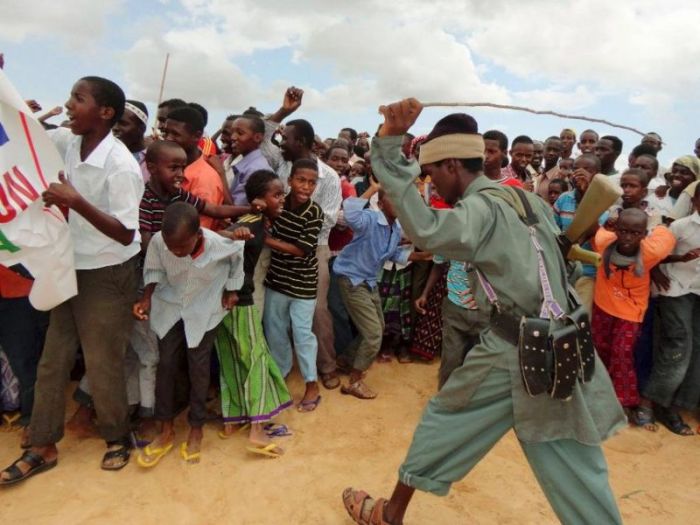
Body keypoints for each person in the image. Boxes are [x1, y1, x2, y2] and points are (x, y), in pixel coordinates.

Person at [342, 99, 625, 525]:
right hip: (561, 341)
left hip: (515, 348)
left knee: (446, 418)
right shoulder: (530, 203)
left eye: (433, 173)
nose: (432, 185)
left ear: (452, 165)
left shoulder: (482, 206)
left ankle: (390, 515)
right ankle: (393, 511)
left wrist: (386, 148)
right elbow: (557, 265)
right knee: (568, 452)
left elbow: (429, 231)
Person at [1, 77, 145, 485]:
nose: (67, 105)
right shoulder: (67, 141)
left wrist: (75, 201)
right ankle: (42, 445)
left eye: (77, 99)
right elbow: (24, 136)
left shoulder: (121, 166)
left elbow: (126, 234)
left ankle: (116, 437)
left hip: (108, 272)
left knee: (102, 362)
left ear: (105, 113)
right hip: (68, 263)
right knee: (54, 357)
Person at [134, 203, 243, 467]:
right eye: (172, 247)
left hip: (204, 308)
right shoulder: (161, 242)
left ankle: (196, 428)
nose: (176, 252)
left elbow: (237, 261)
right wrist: (146, 298)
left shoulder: (219, 245)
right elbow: (154, 270)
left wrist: (231, 290)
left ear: (199, 234)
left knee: (199, 365)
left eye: (182, 247)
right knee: (167, 364)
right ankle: (166, 429)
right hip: (170, 305)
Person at [215, 170, 293, 458]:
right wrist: (230, 234)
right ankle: (257, 429)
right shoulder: (251, 224)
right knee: (256, 358)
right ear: (259, 200)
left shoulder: (254, 221)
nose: (282, 199)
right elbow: (224, 238)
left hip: (222, 301)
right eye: (276, 195)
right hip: (240, 299)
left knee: (231, 359)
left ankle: (233, 419)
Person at [334, 180, 427, 399]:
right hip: (352, 279)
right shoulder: (369, 219)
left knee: (377, 327)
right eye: (393, 199)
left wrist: (420, 256)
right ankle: (354, 382)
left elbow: (393, 254)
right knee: (374, 333)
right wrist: (373, 189)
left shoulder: (395, 229)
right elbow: (350, 213)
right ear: (382, 203)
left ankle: (346, 360)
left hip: (368, 281)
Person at [590, 209, 674, 413]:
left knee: (622, 352)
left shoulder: (652, 250)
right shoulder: (605, 242)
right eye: (624, 231)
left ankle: (623, 401)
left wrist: (658, 225)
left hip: (631, 312)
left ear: (644, 234)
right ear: (616, 230)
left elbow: (667, 235)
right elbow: (596, 231)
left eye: (635, 233)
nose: (628, 237)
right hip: (603, 305)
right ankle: (598, 393)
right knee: (600, 349)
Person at [263, 159, 324, 412]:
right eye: (301, 180)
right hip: (277, 279)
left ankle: (312, 384)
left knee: (302, 334)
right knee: (275, 331)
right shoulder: (278, 203)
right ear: (290, 180)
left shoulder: (315, 213)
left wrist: (266, 239)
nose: (306, 186)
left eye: (311, 182)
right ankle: (281, 375)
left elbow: (301, 250)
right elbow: (263, 217)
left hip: (302, 284)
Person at [642, 182, 700, 435]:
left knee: (696, 348)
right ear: (696, 202)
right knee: (679, 342)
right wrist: (655, 270)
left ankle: (681, 403)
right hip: (675, 288)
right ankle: (654, 402)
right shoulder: (680, 226)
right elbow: (656, 253)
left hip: (697, 290)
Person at [553, 153, 607, 313]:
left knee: (579, 317)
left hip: (587, 273)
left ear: (597, 175)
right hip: (560, 269)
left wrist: (586, 195)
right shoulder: (564, 199)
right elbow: (553, 229)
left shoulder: (606, 201)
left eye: (587, 169)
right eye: (576, 169)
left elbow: (596, 236)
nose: (579, 173)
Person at [162, 107, 225, 230]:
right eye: (166, 133)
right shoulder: (168, 165)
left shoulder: (205, 180)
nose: (168, 138)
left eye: (175, 134)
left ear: (197, 136)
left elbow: (196, 233)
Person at [228, 116, 271, 206]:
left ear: (257, 137)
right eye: (232, 132)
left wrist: (220, 174)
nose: (233, 137)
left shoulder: (255, 170)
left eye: (240, 133)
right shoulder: (248, 164)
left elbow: (236, 209)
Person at [112, 99, 150, 181]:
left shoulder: (152, 161)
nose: (115, 128)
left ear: (142, 129)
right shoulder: (105, 154)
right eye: (113, 122)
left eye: (123, 123)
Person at [535, 136, 562, 200]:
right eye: (548, 149)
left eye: (555, 150)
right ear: (543, 150)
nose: (551, 153)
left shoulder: (560, 177)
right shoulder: (538, 175)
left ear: (560, 153)